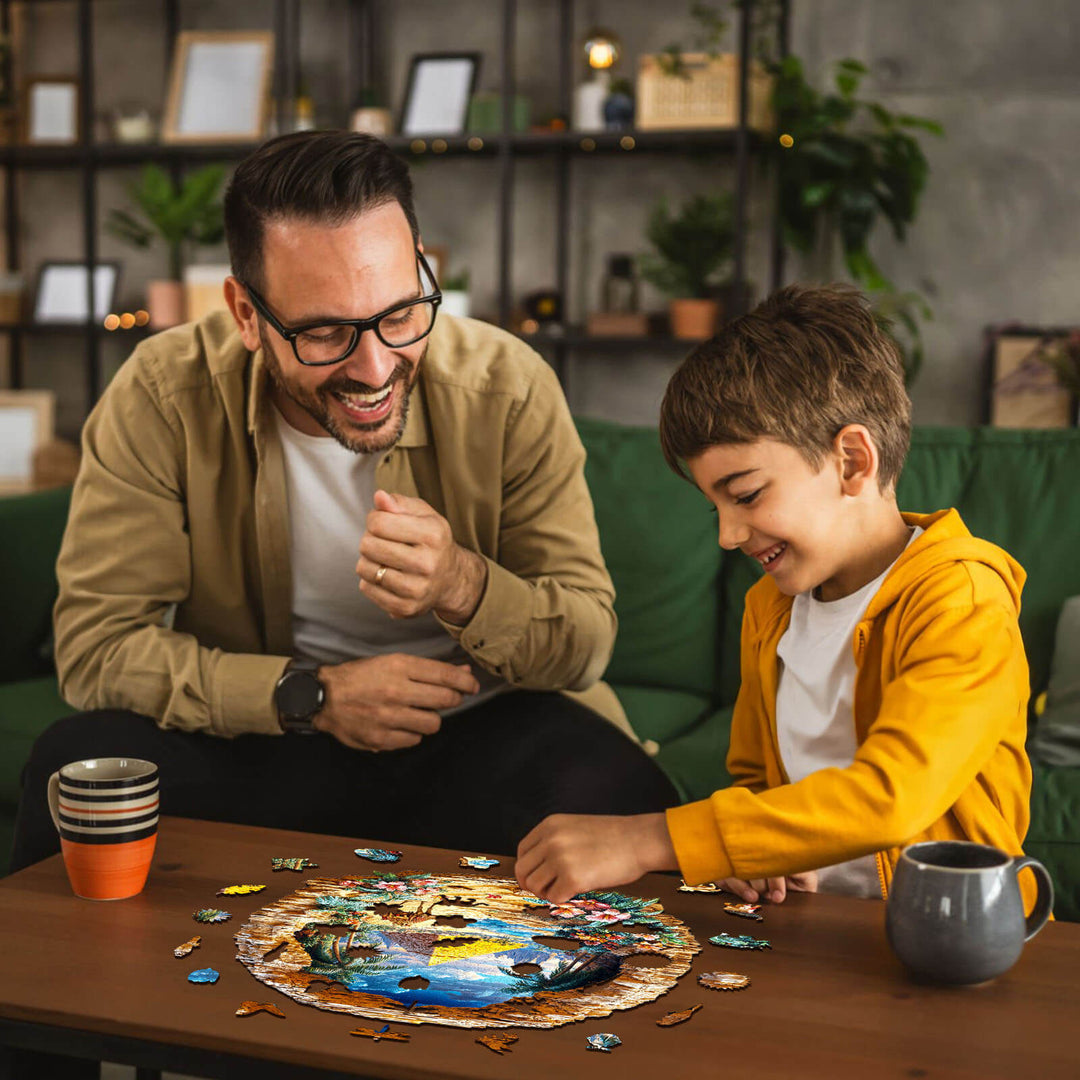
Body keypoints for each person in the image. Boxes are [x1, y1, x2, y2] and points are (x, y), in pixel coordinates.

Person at [11, 130, 677, 875]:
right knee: (75, 765)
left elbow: (585, 642)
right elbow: (96, 648)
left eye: (399, 313)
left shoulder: (508, 385)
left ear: (423, 266)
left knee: (618, 797)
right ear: (246, 314)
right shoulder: (165, 395)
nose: (375, 367)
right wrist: (310, 696)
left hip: (481, 735)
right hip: (272, 738)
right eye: (325, 331)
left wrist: (463, 582)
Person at [516, 284, 1037, 913]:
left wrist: (652, 838)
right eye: (715, 505)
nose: (728, 535)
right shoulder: (771, 607)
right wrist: (753, 864)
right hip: (813, 931)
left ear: (851, 460)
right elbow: (757, 782)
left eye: (747, 494)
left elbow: (892, 796)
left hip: (951, 943)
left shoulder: (961, 600)